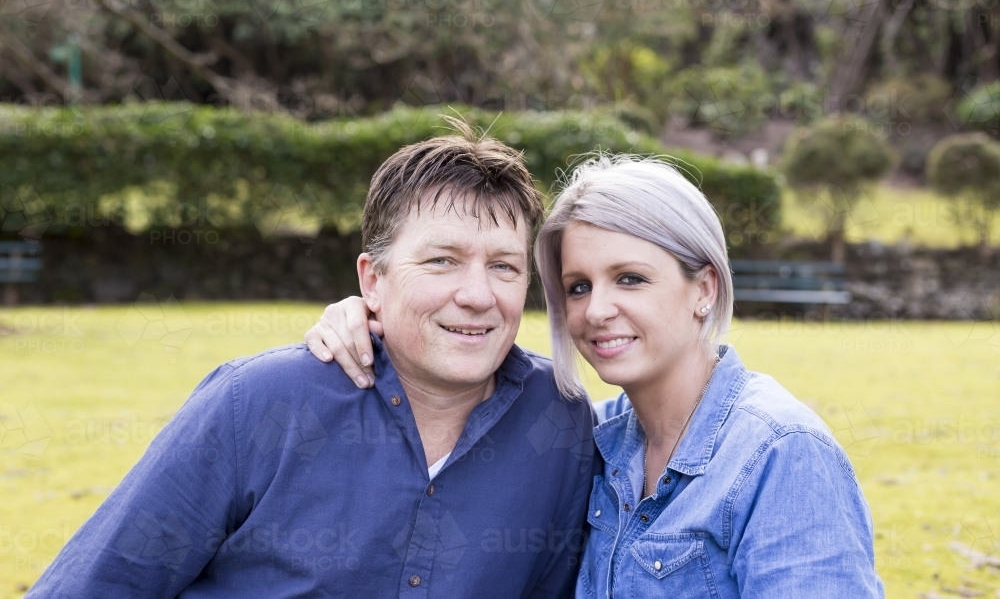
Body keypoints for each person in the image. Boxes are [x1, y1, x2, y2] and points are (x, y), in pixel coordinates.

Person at [27, 124, 595, 598]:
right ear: (373, 280)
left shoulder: (561, 420)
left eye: (504, 266)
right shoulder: (256, 403)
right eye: (443, 260)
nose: (478, 294)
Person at [306, 156, 885, 597]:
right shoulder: (586, 438)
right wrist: (368, 315)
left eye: (630, 278)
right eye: (578, 286)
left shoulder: (780, 455)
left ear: (704, 289)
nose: (596, 310)